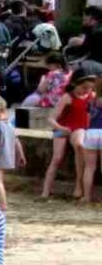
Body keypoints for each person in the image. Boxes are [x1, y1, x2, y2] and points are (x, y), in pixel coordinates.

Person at [43, 69, 95, 198]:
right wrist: (60, 127)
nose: (86, 91)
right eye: (84, 87)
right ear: (76, 84)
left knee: (79, 145)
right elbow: (51, 118)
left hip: (79, 128)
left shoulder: (91, 96)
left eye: (89, 88)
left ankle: (78, 185)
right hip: (63, 127)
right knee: (57, 158)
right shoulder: (67, 97)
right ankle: (45, 191)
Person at [80, 87, 102, 202]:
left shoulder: (91, 101)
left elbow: (87, 120)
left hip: (91, 132)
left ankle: (86, 197)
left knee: (89, 168)